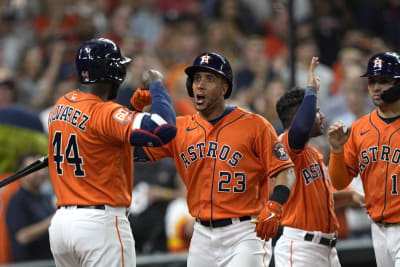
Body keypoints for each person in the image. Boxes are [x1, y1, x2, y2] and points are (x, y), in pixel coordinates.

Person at [132, 51, 296, 267]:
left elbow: (285, 170)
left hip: (244, 232)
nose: (200, 85)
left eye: (209, 79)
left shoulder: (254, 125)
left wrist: (275, 205)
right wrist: (137, 111)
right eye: (197, 78)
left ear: (224, 88)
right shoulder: (180, 128)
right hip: (201, 234)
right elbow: (135, 151)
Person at [47, 38, 177, 267]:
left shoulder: (60, 106)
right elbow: (162, 129)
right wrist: (157, 86)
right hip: (99, 224)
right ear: (113, 73)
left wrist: (134, 108)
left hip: (62, 226)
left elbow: (105, 139)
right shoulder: (104, 112)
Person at [274, 57, 365, 267]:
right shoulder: (285, 147)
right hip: (299, 249)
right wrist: (311, 90)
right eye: (316, 111)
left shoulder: (312, 154)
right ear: (300, 117)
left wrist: (351, 196)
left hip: (327, 249)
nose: (322, 115)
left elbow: (320, 200)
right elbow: (301, 128)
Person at [328, 51, 400, 267]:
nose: (376, 88)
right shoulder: (359, 128)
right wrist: (337, 150)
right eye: (372, 82)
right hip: (377, 229)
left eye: (384, 81)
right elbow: (339, 182)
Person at [6, 153, 55, 262]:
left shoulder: (45, 198)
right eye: (35, 169)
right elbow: (22, 237)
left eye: (43, 168)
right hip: (29, 263)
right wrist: (53, 220)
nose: (41, 173)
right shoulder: (17, 201)